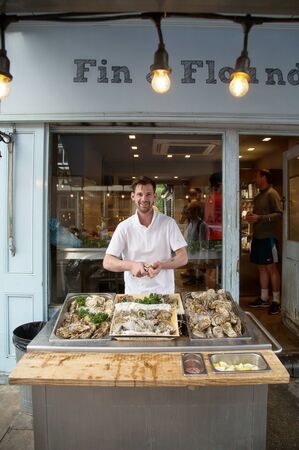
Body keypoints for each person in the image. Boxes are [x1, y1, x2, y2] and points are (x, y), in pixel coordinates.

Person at [103, 176, 188, 294]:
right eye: (139, 194)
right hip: (134, 295)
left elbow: (183, 257)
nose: (144, 199)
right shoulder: (124, 227)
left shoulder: (168, 223)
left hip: (164, 293)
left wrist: (162, 265)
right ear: (133, 196)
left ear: (154, 196)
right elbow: (107, 262)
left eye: (148, 194)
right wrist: (132, 265)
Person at [245, 169, 283, 315]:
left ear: (264, 177)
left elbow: (279, 214)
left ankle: (276, 301)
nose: (254, 179)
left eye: (256, 176)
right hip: (258, 237)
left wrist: (259, 218)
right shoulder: (258, 195)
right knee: (261, 267)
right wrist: (251, 216)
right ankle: (264, 298)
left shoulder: (272, 193)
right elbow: (258, 215)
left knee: (271, 268)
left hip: (269, 238)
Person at [203, 172, 222, 288]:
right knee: (215, 267)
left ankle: (208, 291)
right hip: (220, 237)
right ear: (220, 184)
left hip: (210, 236)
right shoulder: (222, 198)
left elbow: (207, 219)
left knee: (211, 267)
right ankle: (212, 293)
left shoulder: (209, 198)